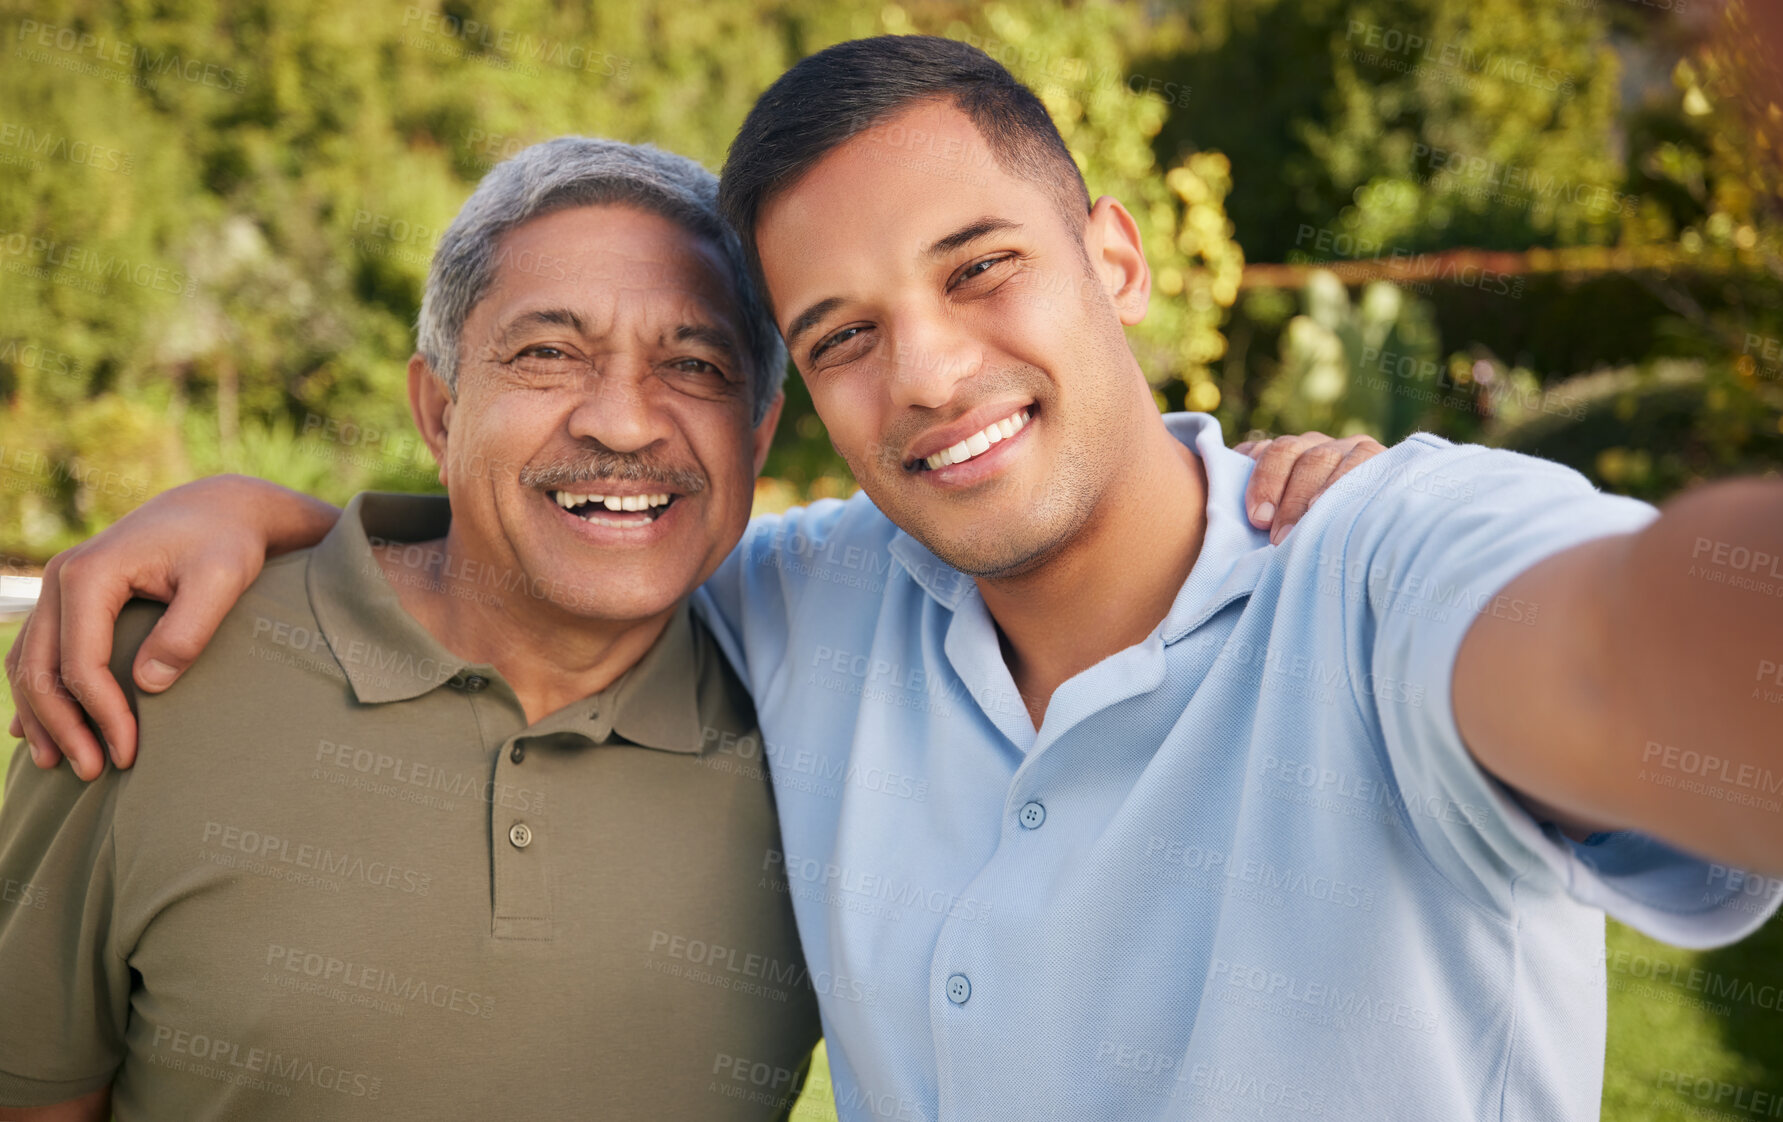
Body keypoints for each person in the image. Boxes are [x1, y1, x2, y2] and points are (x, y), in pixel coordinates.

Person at [26, 34, 1768, 1122]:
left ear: (1118, 254)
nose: (927, 376)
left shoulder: (1385, 558)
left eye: (982, 268)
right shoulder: (814, 601)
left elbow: (1635, 655)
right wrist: (273, 517)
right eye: (845, 333)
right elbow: (552, 528)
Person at [0, 130, 1369, 1121]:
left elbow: (1078, 537)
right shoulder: (153, 674)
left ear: (762, 430)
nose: (622, 418)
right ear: (436, 405)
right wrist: (252, 507)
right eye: (547, 352)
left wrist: (1280, 494)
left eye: (696, 366)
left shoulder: (824, 706)